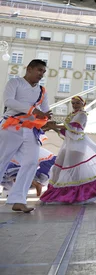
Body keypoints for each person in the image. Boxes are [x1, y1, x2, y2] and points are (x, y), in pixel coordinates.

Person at [40, 96, 96, 204]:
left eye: (77, 103)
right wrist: (53, 127)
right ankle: (55, 194)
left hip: (78, 146)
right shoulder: (72, 115)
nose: (75, 105)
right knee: (58, 169)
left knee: (73, 171)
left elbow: (75, 129)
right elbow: (67, 132)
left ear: (83, 104)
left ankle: (79, 195)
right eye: (73, 103)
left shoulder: (82, 115)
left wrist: (54, 125)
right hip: (69, 146)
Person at [0, 59, 51, 212]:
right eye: (39, 70)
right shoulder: (15, 83)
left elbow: (46, 110)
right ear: (29, 69)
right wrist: (33, 111)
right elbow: (8, 101)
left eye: (43, 72)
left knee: (31, 162)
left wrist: (49, 121)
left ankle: (18, 200)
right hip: (11, 126)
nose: (41, 74)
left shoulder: (42, 90)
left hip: (31, 129)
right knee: (2, 160)